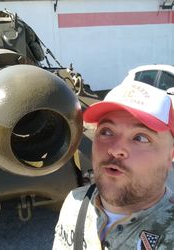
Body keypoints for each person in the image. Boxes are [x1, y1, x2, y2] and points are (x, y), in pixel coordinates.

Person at [52, 80, 174, 250]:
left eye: (141, 137)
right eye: (106, 131)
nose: (116, 149)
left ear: (170, 156)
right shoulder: (75, 202)